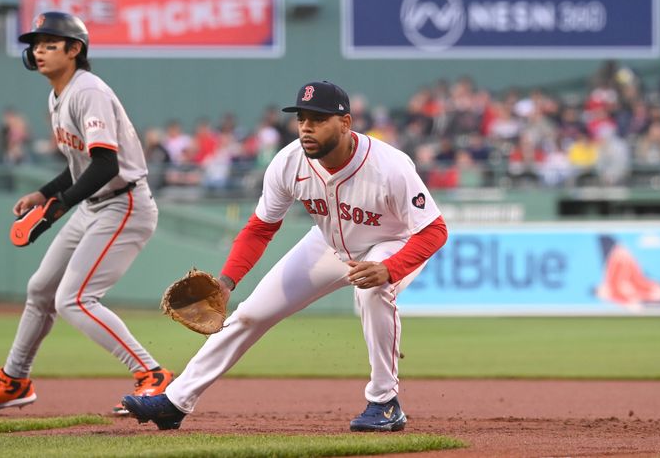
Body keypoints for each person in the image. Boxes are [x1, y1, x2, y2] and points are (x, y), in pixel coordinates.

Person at [121, 80, 448, 432]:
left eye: (318, 119)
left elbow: (434, 230)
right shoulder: (289, 162)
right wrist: (227, 282)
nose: (307, 126)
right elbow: (261, 227)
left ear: (346, 123)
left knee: (371, 291)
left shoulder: (390, 166)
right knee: (249, 314)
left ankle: (385, 403)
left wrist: (389, 268)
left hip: (392, 242)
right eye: (302, 118)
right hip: (328, 244)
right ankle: (174, 402)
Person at [0, 12, 172, 415]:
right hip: (95, 203)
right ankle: (15, 381)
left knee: (74, 299)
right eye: (36, 45)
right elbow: (81, 164)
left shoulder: (87, 91)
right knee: (41, 290)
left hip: (123, 203)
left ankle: (153, 375)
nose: (38, 51)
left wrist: (61, 204)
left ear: (75, 50)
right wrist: (45, 193)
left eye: (49, 44)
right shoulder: (58, 95)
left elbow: (106, 165)